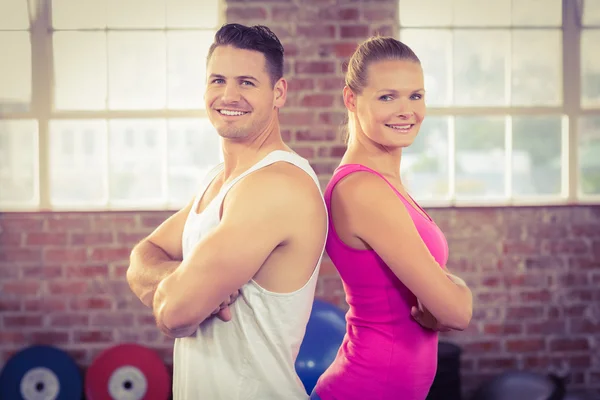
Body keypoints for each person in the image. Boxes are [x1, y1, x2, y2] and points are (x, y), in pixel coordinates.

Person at [126, 23, 328, 400]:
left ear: (278, 92)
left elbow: (175, 315)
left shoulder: (277, 184)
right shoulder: (218, 179)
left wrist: (184, 291)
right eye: (217, 80)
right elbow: (141, 257)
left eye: (247, 83)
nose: (228, 95)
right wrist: (186, 279)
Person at [310, 36, 473, 400]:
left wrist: (447, 294)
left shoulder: (385, 182)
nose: (407, 110)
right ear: (351, 99)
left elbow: (444, 302)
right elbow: (456, 313)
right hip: (363, 389)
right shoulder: (362, 190)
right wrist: (456, 293)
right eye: (388, 97)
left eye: (416, 95)